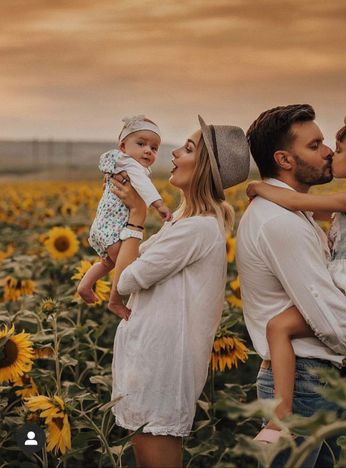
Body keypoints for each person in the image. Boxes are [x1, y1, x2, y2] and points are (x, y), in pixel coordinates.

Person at [246, 113, 346, 439]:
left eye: (336, 147)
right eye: (317, 145)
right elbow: (308, 209)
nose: (330, 153)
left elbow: (296, 202)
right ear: (284, 159)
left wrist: (258, 187)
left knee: (278, 327)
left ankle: (280, 416)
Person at [108, 116, 250, 467]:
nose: (172, 152)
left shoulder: (197, 229)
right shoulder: (185, 223)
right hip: (151, 362)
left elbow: (124, 279)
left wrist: (137, 214)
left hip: (162, 368)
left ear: (204, 168)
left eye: (188, 148)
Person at [77, 115, 172, 320]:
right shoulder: (131, 166)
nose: (148, 150)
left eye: (154, 148)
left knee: (108, 263)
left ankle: (85, 284)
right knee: (126, 264)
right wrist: (159, 205)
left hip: (102, 228)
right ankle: (115, 301)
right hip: (113, 229)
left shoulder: (118, 164)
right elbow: (145, 187)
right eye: (141, 144)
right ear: (123, 146)